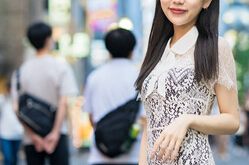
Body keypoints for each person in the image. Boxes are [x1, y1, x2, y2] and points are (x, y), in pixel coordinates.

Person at [135, 0, 240, 165]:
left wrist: (187, 120)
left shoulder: (216, 47)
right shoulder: (157, 50)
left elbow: (232, 120)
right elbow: (149, 126)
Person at [10, 22, 78, 165]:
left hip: (31, 138)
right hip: (58, 135)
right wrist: (55, 133)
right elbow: (63, 102)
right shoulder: (61, 67)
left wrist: (34, 136)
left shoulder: (20, 72)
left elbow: (16, 108)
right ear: (48, 40)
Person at [83, 28, 144, 165]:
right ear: (132, 50)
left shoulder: (94, 77)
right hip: (132, 154)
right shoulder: (140, 78)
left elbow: (91, 117)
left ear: (108, 49)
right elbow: (144, 119)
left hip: (100, 154)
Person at [0, 82, 24, 165]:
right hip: (5, 133)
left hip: (18, 133)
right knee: (8, 158)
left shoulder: (20, 99)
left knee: (15, 158)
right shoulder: (2, 99)